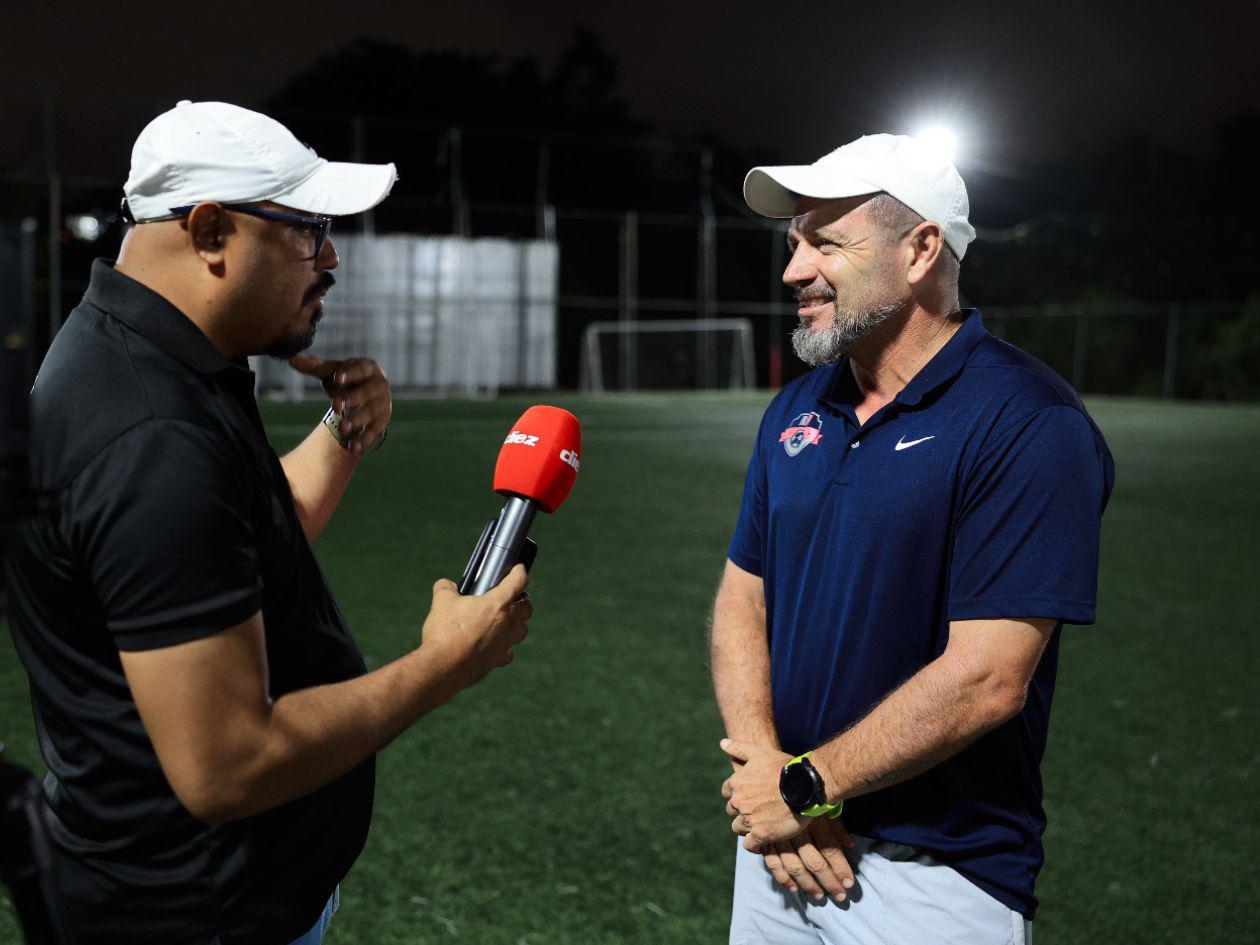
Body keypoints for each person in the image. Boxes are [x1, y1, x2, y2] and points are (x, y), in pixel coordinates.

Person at [2, 101, 532, 945]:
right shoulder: (152, 436)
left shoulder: (140, 356)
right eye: (309, 230)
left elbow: (227, 543)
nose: (330, 259)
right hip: (199, 916)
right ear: (210, 231)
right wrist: (444, 664)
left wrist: (341, 432)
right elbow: (228, 764)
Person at [710, 134, 1115, 944]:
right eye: (793, 244)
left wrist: (807, 784)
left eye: (827, 242)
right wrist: (767, 772)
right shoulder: (795, 408)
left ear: (922, 250)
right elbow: (742, 599)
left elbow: (987, 677)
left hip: (935, 876)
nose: (794, 270)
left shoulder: (1029, 420)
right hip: (781, 847)